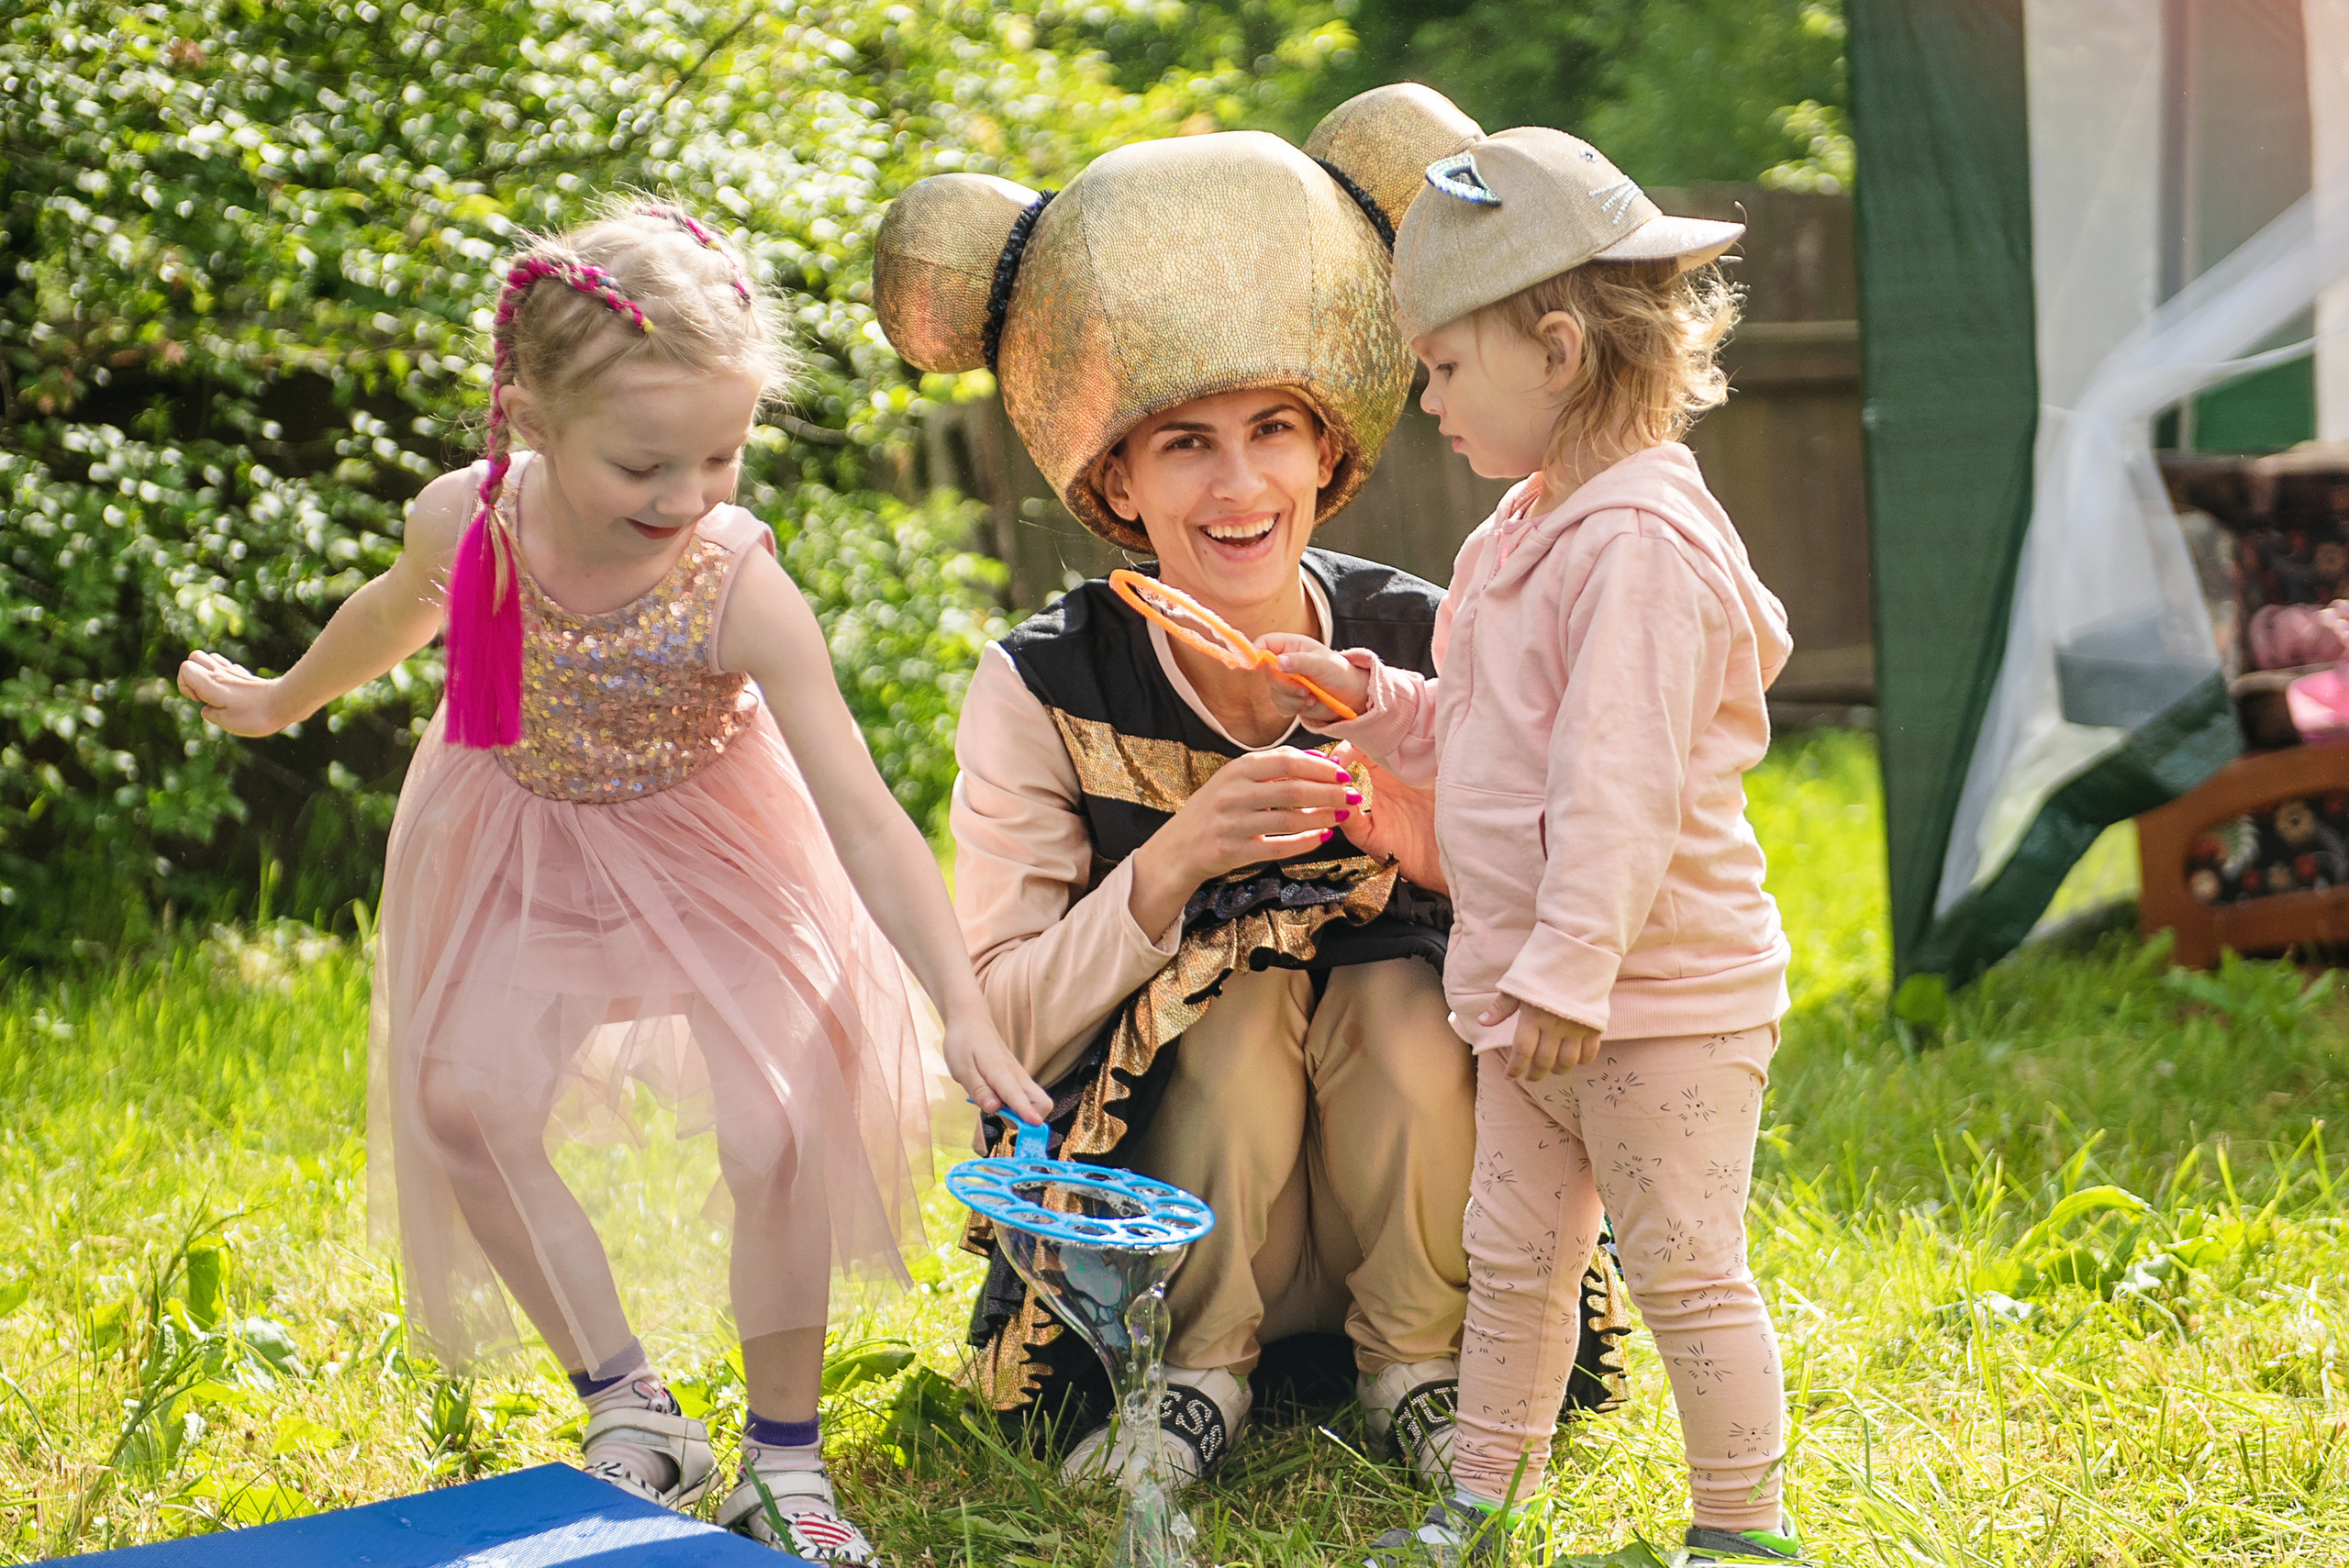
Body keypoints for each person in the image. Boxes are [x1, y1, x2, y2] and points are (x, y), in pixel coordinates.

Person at [176, 205, 1051, 1565]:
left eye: (722, 455)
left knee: (774, 1124)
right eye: (644, 462)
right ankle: (630, 1402)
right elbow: (398, 609)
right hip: (527, 829)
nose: (687, 494)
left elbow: (866, 816)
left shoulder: (735, 584)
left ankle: (784, 1456)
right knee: (462, 1099)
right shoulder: (471, 521)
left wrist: (963, 1002)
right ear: (530, 417)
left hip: (716, 851)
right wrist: (283, 697)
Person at [872, 86, 1631, 1493]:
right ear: (1116, 478)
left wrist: (1430, 846)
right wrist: (1168, 870)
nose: (1239, 484)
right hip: (1176, 1233)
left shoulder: (1428, 636)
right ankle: (1195, 1376)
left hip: (1427, 1216)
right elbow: (999, 1028)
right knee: (1232, 1015)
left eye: (1272, 427)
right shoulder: (1042, 686)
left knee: (1399, 1003)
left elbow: (1576, 908)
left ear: (1327, 446)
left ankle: (1421, 1364)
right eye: (1185, 441)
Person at [1263, 128, 1804, 1564]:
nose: (1427, 399)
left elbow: (1619, 786)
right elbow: (1493, 728)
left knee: (1685, 1269)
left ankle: (1743, 1529)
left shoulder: (1637, 544)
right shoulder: (1526, 530)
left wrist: (1572, 970)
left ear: (1557, 351)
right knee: (1510, 1262)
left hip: (1653, 998)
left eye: (1444, 366)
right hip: (1537, 997)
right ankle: (1483, 1497)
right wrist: (1371, 702)